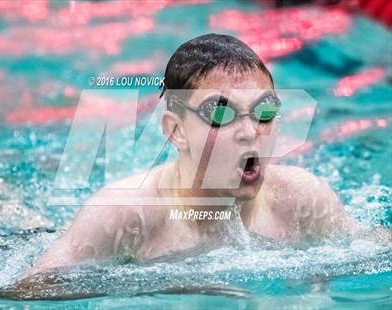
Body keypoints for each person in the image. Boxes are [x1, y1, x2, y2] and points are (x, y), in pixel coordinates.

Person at [27, 33, 359, 276]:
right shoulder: (126, 217)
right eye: (220, 114)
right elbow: (27, 293)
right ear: (176, 130)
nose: (250, 130)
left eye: (265, 112)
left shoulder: (302, 202)